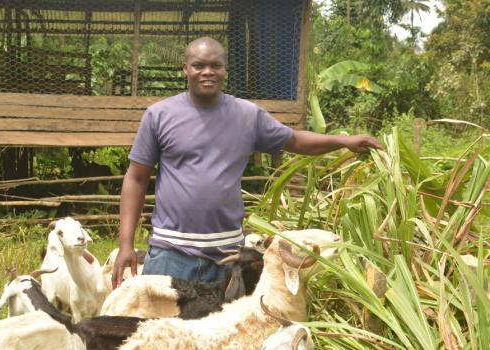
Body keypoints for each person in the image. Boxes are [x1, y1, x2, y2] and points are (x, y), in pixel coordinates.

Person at [111, 37, 381, 288]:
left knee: (227, 336)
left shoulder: (247, 116)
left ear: (225, 69)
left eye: (215, 65)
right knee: (162, 337)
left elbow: (296, 141)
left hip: (227, 258)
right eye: (199, 65)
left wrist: (343, 141)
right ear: (185, 69)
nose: (207, 72)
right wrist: (125, 244)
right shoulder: (159, 116)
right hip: (171, 253)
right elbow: (136, 178)